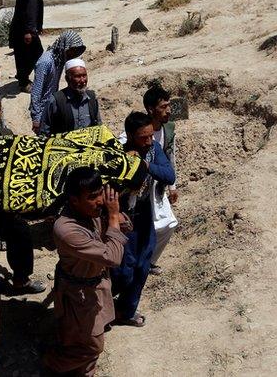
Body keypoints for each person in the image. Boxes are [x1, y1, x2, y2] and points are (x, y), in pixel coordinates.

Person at [43, 167, 130, 376]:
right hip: (78, 295)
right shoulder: (66, 229)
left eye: (101, 192)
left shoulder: (93, 212)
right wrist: (113, 217)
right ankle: (52, 363)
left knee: (87, 337)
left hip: (96, 286)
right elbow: (113, 257)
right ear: (74, 200)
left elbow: (125, 226)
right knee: (92, 346)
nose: (100, 200)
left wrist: (114, 217)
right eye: (92, 197)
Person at [111, 112, 175, 328]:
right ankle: (102, 305)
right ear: (129, 135)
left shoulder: (153, 150)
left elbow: (169, 175)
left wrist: (147, 167)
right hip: (122, 218)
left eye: (150, 136)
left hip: (144, 215)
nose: (148, 142)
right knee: (123, 269)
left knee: (142, 264)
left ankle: (126, 310)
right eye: (142, 138)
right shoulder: (116, 156)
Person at [132, 86, 179, 276]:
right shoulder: (138, 127)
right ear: (151, 109)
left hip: (158, 184)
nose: (168, 110)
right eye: (164, 106)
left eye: (169, 105)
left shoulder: (169, 128)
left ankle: (148, 261)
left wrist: (172, 186)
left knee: (168, 225)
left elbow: (171, 155)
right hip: (139, 186)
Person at [29, 31, 86, 133]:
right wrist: (36, 118)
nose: (73, 54)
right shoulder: (46, 62)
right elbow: (36, 92)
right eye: (72, 50)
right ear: (65, 46)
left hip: (52, 105)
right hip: (42, 110)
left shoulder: (59, 59)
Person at [39, 58, 101, 135]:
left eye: (84, 76)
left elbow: (99, 126)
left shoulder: (92, 98)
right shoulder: (56, 100)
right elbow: (44, 131)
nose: (82, 81)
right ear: (67, 79)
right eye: (77, 76)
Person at [10, 0, 46, 91]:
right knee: (23, 56)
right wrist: (26, 32)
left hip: (32, 30)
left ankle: (23, 76)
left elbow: (36, 9)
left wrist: (39, 26)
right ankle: (23, 82)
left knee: (38, 54)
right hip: (23, 32)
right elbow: (21, 13)